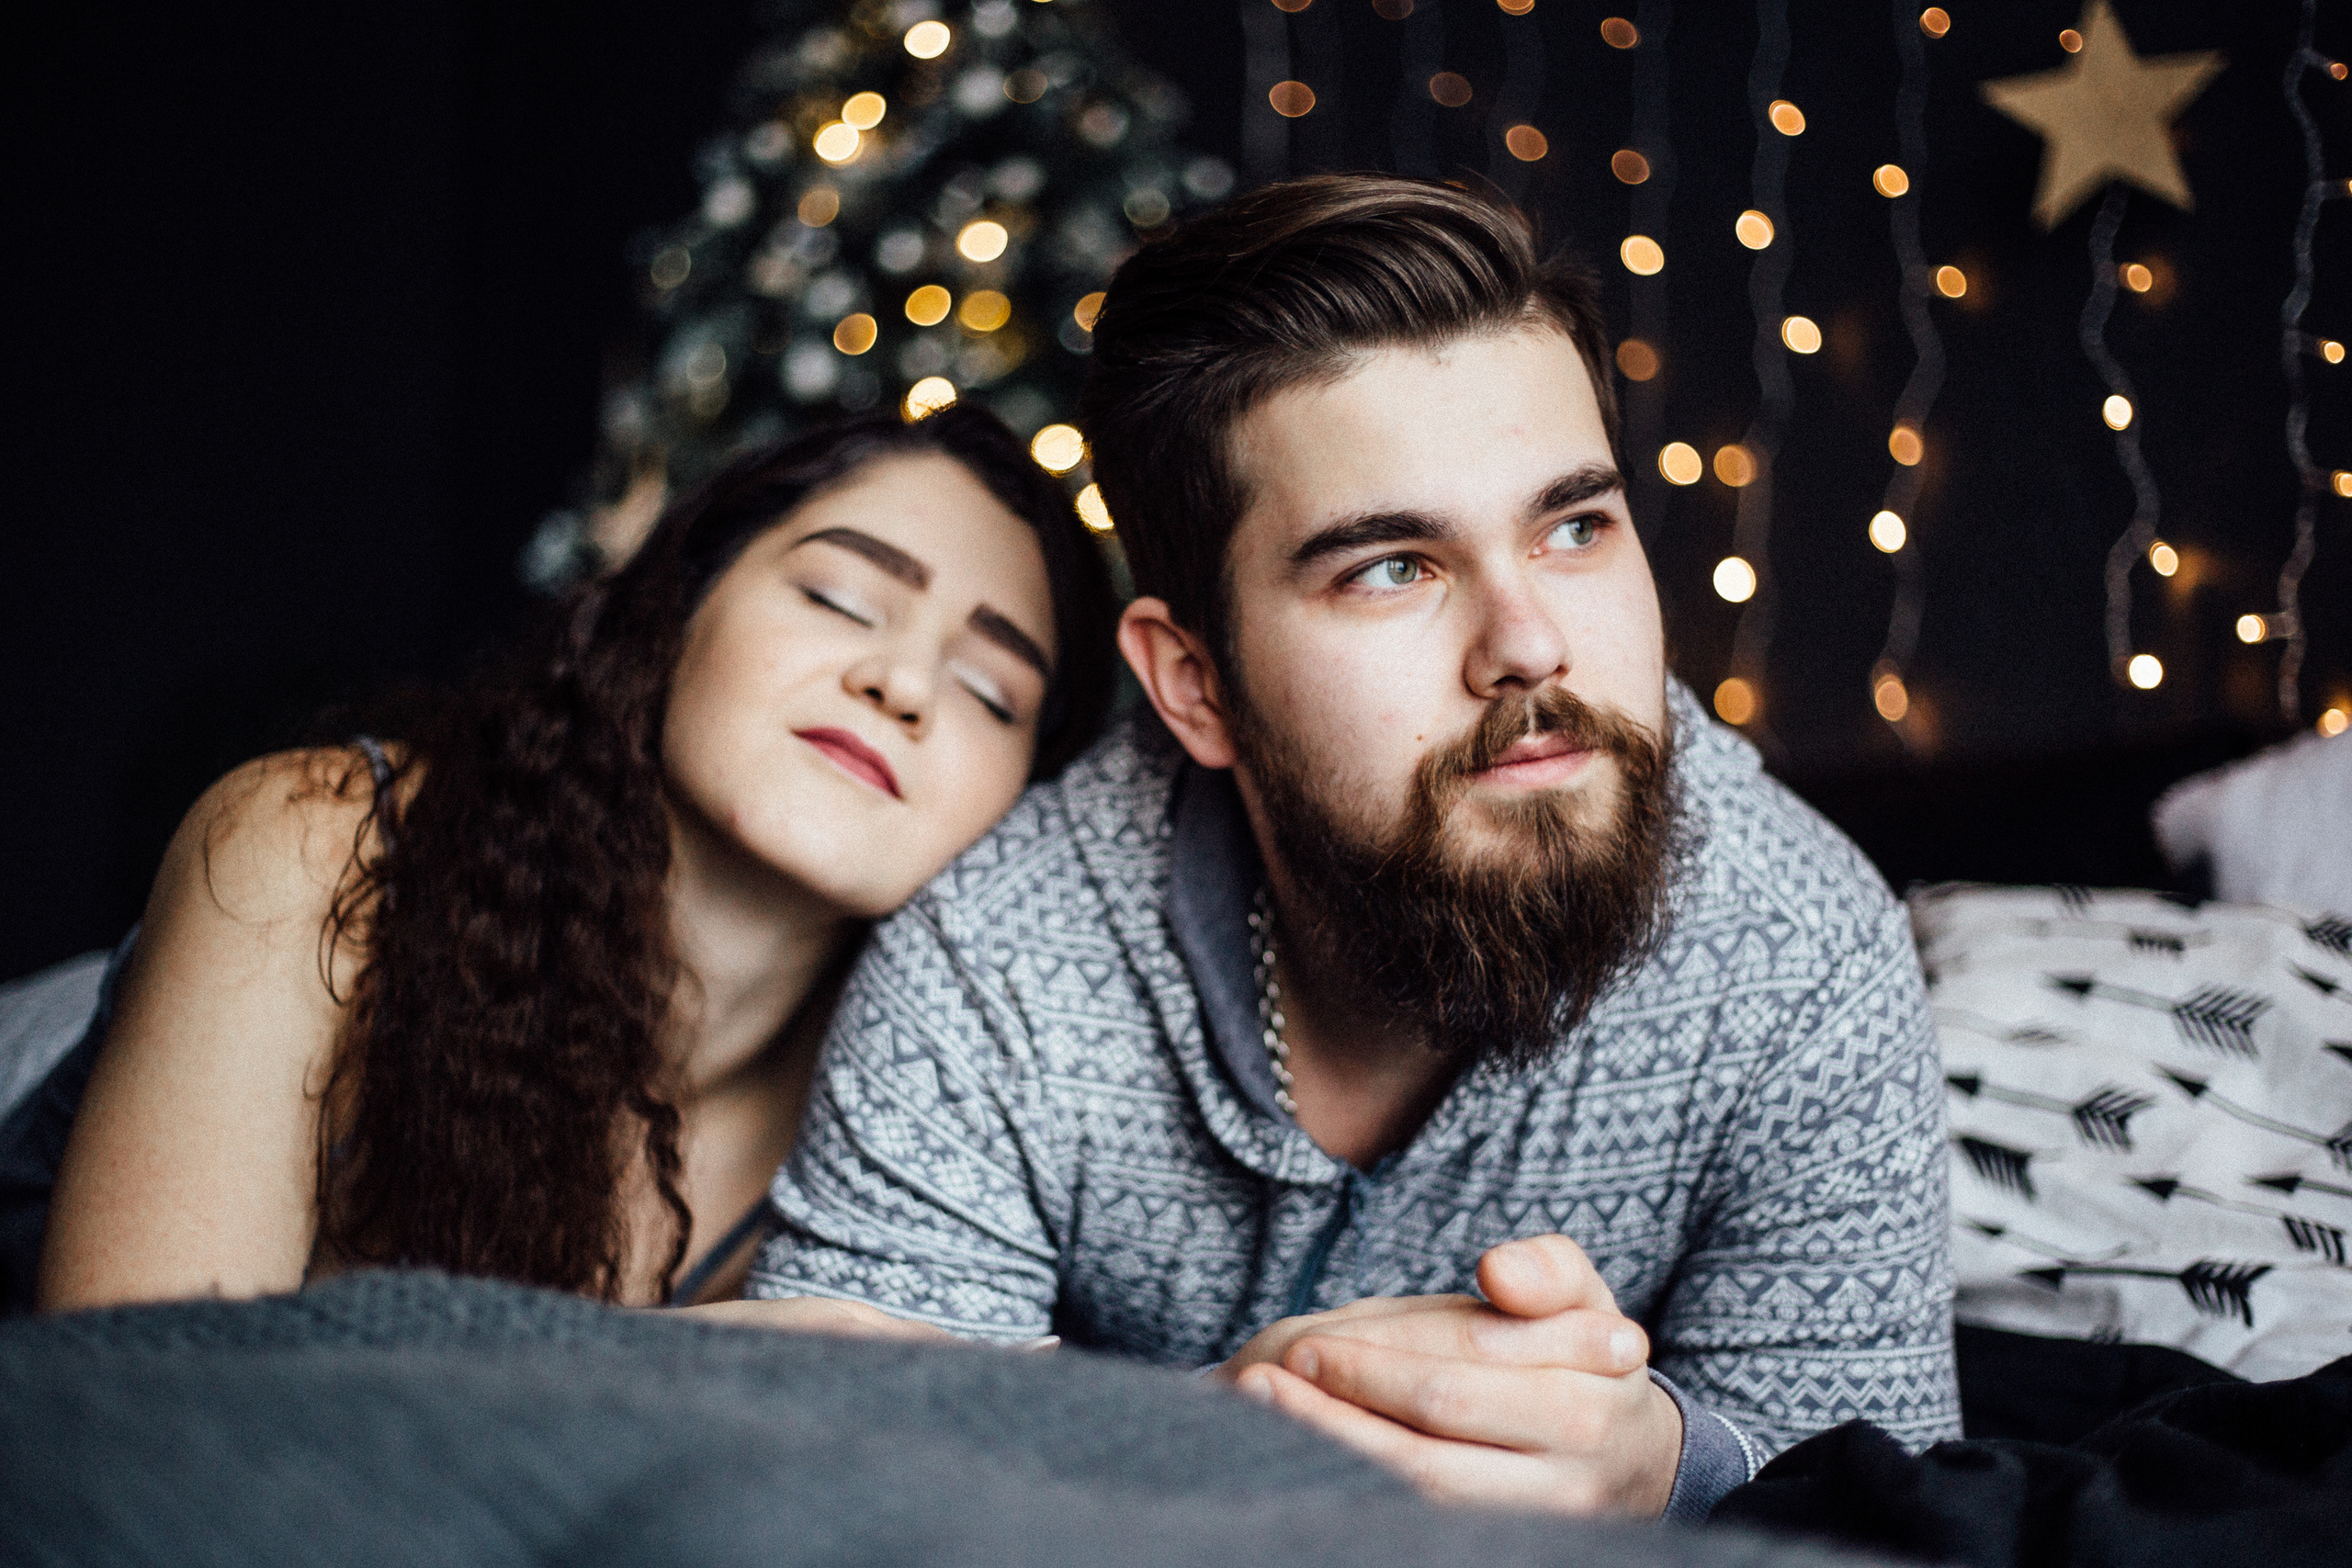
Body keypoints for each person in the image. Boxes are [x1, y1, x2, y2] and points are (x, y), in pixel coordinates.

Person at [746, 175, 1961, 1520]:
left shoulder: (1799, 953)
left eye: (1574, 527)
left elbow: (1893, 1513)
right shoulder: (992, 970)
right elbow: (821, 1505)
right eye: (1393, 565)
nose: (1529, 642)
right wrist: (1205, 1442)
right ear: (1192, 681)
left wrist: (1670, 1471)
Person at [25, 405, 1116, 1314]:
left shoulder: (934, 1106)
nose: (904, 686)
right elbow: (143, 1413)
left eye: (992, 692)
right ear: (674, 609)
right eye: (839, 599)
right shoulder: (312, 845)